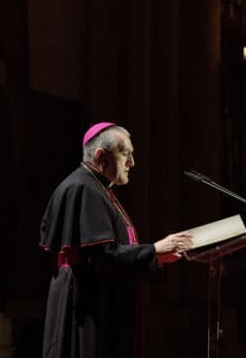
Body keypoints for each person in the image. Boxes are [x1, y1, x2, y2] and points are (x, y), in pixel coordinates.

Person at [39, 122, 192, 357]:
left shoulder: (98, 187)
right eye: (126, 155)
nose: (132, 163)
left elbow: (110, 253)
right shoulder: (84, 188)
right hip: (89, 306)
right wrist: (153, 250)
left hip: (104, 299)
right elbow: (100, 256)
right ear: (102, 156)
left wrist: (158, 257)